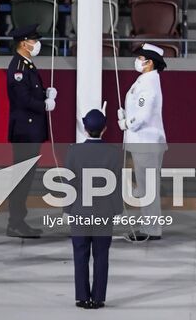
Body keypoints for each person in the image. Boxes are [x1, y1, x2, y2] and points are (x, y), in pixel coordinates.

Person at [65, 108, 122, 309]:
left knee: (80, 254)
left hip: (80, 212)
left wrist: (67, 209)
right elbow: (116, 185)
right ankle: (98, 298)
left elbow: (68, 183)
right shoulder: (115, 153)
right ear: (105, 129)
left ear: (85, 129)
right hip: (103, 212)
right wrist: (117, 211)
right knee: (101, 255)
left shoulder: (73, 151)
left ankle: (82, 297)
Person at [5, 24, 56, 238]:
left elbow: (31, 91)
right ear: (24, 42)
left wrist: (45, 93)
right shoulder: (18, 67)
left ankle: (18, 220)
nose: (37, 44)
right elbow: (22, 98)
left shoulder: (27, 65)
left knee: (25, 177)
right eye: (34, 40)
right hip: (25, 130)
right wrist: (43, 103)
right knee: (21, 178)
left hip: (30, 129)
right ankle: (15, 222)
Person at [118, 42, 167, 241]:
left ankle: (151, 229)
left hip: (146, 140)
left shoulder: (149, 83)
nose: (137, 60)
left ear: (149, 62)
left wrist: (127, 123)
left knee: (148, 188)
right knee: (146, 187)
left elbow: (144, 114)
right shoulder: (145, 79)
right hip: (143, 140)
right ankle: (149, 226)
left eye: (140, 58)